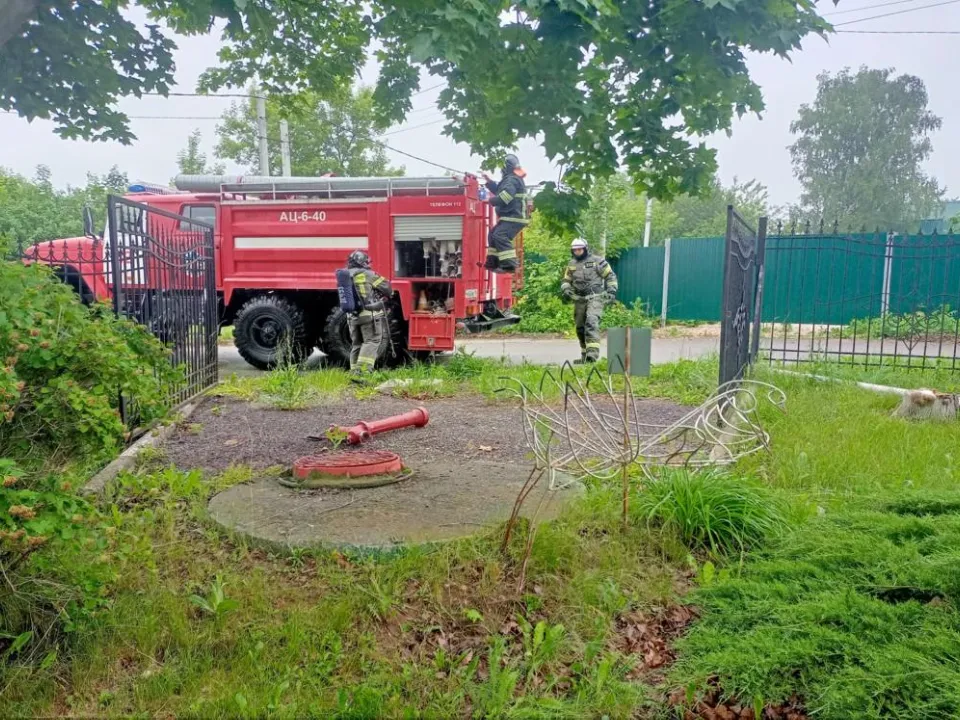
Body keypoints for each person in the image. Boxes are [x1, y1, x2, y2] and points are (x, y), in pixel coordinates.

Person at [560, 238, 618, 363]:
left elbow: (610, 275)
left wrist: (611, 290)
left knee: (591, 321)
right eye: (575, 250)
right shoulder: (571, 264)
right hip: (579, 299)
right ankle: (584, 355)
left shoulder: (597, 261)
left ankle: (592, 356)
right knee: (580, 328)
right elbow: (566, 280)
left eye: (580, 249)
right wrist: (566, 289)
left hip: (595, 297)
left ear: (585, 248)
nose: (577, 252)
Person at [345, 250, 392, 378]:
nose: (368, 263)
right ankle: (363, 373)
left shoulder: (345, 275)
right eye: (366, 261)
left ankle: (354, 372)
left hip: (351, 317)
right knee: (371, 341)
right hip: (368, 315)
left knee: (357, 344)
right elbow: (387, 288)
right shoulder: (368, 274)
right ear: (362, 262)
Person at [483, 154, 528, 273]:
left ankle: (509, 265)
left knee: (500, 235)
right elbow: (500, 190)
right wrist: (489, 182)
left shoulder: (512, 179)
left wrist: (490, 200)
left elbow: (505, 197)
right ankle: (492, 262)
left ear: (506, 168)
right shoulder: (511, 179)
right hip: (510, 217)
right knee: (493, 234)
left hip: (514, 217)